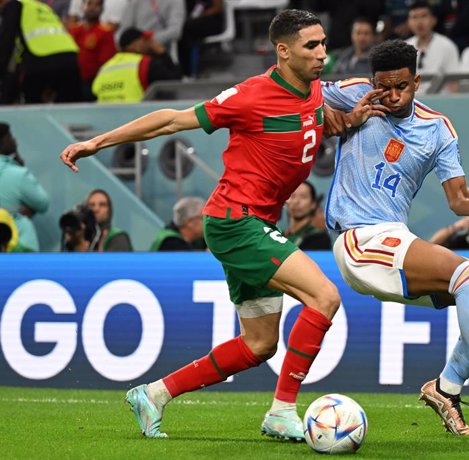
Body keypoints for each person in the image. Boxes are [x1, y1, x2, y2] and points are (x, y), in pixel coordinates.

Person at [59, 9, 375, 441]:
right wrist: (97, 141)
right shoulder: (251, 95)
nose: (323, 54)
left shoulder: (316, 92)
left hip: (258, 223)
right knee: (323, 297)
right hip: (234, 222)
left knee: (260, 345)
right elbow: (171, 119)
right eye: (311, 46)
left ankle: (154, 394)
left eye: (323, 44)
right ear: (283, 52)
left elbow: (315, 123)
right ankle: (282, 410)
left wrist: (346, 121)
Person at [322, 39, 469, 436]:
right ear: (372, 81)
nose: (392, 96)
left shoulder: (437, 129)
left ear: (417, 81)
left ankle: (446, 388)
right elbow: (295, 99)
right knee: (466, 275)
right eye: (383, 87)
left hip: (393, 238)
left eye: (402, 87)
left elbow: (460, 199)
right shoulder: (355, 93)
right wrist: (341, 121)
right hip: (358, 238)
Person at [0, 0, 82, 103]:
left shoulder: (14, 5)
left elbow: (6, 42)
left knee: (33, 106)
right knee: (70, 108)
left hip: (41, 59)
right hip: (70, 58)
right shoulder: (42, 7)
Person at [92, 28, 182, 103]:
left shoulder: (105, 67)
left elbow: (95, 91)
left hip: (105, 118)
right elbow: (174, 80)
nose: (151, 43)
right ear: (136, 45)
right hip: (135, 117)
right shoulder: (145, 63)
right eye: (145, 40)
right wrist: (163, 53)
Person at [0, 123, 49, 251]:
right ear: (3, 142)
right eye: (10, 136)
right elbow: (43, 203)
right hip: (18, 247)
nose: (14, 139)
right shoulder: (18, 174)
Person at [405, 1, 461, 93]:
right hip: (413, 103)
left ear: (434, 20)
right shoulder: (404, 47)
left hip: (440, 102)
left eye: (424, 16)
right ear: (408, 22)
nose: (419, 22)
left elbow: (454, 83)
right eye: (414, 17)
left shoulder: (447, 46)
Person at [68, 0, 117, 101]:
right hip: (71, 81)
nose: (92, 8)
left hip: (93, 82)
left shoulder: (105, 32)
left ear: (102, 9)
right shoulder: (73, 30)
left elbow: (106, 62)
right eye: (89, 3)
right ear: (82, 7)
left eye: (97, 5)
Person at [117, 0, 185, 53]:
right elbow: (124, 29)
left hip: (162, 55)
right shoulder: (135, 1)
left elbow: (175, 31)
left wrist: (147, 42)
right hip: (137, 57)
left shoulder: (175, 1)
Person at [284, 181, 331, 250]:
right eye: (292, 196)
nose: (296, 201)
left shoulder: (319, 238)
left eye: (303, 197)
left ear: (313, 204)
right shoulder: (278, 235)